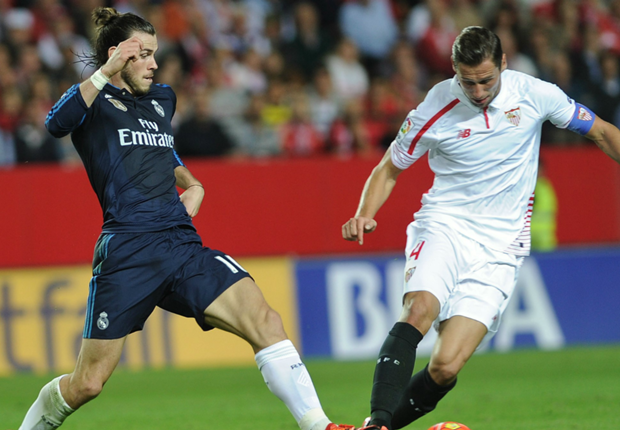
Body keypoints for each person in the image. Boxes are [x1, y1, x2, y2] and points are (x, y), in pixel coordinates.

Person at [19, 8, 353, 430]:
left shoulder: (162, 99)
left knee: (264, 318)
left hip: (180, 243)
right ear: (118, 55)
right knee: (87, 384)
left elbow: (162, 150)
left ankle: (320, 425)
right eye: (144, 54)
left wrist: (191, 182)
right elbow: (54, 124)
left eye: (155, 54)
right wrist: (106, 70)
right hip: (128, 249)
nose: (154, 63)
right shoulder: (94, 102)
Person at [341, 26, 620, 430]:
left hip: (500, 248)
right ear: (455, 70)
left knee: (446, 366)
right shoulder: (434, 106)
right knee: (419, 309)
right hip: (445, 225)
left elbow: (601, 132)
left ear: (504, 64)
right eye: (467, 81)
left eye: (486, 80)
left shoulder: (536, 94)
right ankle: (378, 422)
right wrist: (364, 211)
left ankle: (382, 425)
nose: (477, 91)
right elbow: (388, 168)